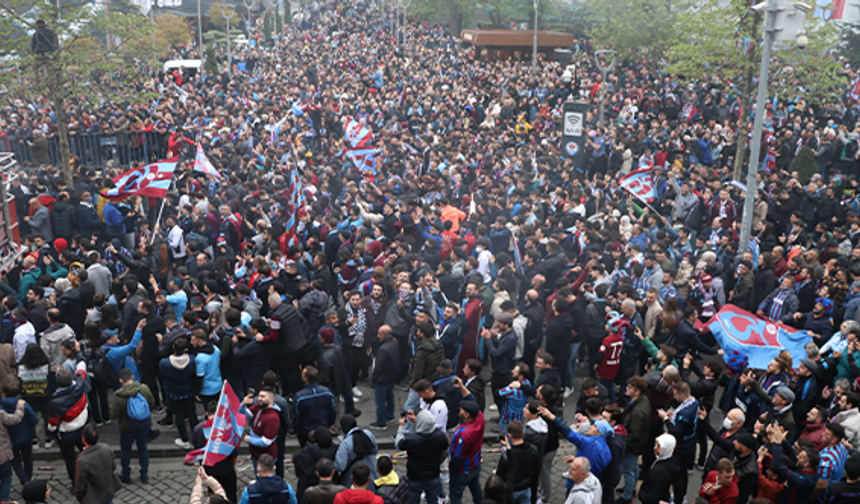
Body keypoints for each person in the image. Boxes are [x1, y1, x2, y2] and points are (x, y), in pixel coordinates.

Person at [48, 340, 87, 484]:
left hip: (66, 433)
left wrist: (51, 433)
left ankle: (75, 482)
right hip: (82, 426)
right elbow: (81, 365)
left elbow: (53, 422)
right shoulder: (80, 385)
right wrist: (78, 351)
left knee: (70, 460)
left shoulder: (56, 401)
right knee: (87, 452)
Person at [110, 367, 154, 484]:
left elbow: (114, 415)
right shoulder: (143, 388)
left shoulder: (119, 396)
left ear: (120, 381)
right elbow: (151, 402)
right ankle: (144, 474)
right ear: (132, 377)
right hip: (143, 425)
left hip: (126, 427)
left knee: (125, 451)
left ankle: (126, 475)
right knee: (143, 448)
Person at [394, 409, 448, 504]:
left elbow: (398, 444)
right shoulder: (440, 437)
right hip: (433, 475)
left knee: (413, 500)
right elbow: (445, 451)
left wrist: (401, 427)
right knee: (433, 500)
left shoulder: (411, 440)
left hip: (415, 477)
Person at [193, 400, 238, 504]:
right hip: (226, 467)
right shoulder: (228, 428)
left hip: (209, 469)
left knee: (213, 491)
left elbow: (198, 451)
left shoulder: (198, 429)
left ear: (206, 413)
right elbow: (234, 450)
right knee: (231, 492)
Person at [159, 337, 196, 450]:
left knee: (179, 416)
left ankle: (184, 439)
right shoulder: (192, 360)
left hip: (174, 392)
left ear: (173, 347)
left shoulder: (164, 363)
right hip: (188, 391)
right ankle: (196, 437)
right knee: (192, 414)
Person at [74, 423, 122, 504]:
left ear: (83, 439)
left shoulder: (82, 460)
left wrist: (80, 497)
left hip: (93, 498)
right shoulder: (106, 448)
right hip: (107, 492)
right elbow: (112, 467)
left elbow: (80, 484)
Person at [496, 421, 541, 504]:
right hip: (527, 487)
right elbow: (536, 471)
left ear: (509, 435)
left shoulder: (507, 456)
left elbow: (500, 476)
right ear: (523, 433)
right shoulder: (533, 450)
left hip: (512, 490)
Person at [448, 401, 484, 504]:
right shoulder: (480, 419)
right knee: (476, 487)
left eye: (461, 410)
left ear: (467, 415)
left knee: (455, 494)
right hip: (475, 464)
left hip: (463, 469)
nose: (459, 410)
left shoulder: (464, 434)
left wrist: (452, 468)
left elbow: (458, 456)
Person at [241, 387, 282, 474]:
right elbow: (244, 414)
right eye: (259, 396)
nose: (259, 398)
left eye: (263, 396)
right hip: (256, 455)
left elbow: (266, 442)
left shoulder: (273, 418)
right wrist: (243, 404)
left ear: (271, 399)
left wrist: (249, 440)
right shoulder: (259, 407)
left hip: (266, 458)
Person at [294, 366, 338, 447]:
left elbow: (296, 416)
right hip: (323, 429)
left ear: (306, 378)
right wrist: (329, 424)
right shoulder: (327, 392)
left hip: (306, 432)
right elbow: (333, 411)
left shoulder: (300, 397)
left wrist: (297, 430)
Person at [294, 427, 339, 502]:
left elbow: (297, 463)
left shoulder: (305, 452)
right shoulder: (335, 451)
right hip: (329, 486)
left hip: (306, 484)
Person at [334, 414, 378, 488]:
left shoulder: (345, 443)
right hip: (372, 477)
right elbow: (375, 451)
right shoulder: (369, 434)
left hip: (353, 482)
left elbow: (340, 466)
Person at [370, 325, 400, 430]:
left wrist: (373, 379)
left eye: (380, 334)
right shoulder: (394, 342)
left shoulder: (383, 349)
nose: (378, 336)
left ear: (387, 335)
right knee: (390, 397)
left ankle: (381, 423)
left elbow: (378, 367)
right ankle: (390, 416)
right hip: (391, 376)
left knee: (380, 402)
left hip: (382, 379)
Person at [638, 434, 679, 504]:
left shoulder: (659, 472)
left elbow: (653, 495)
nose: (655, 448)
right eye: (656, 444)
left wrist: (642, 495)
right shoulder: (672, 461)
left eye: (659, 446)